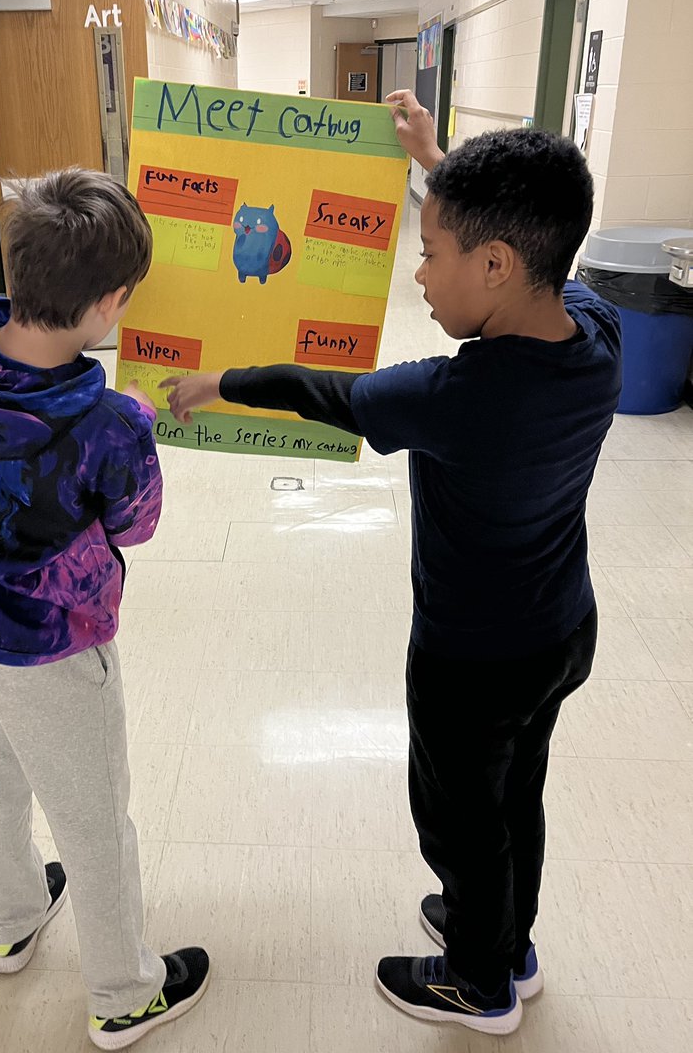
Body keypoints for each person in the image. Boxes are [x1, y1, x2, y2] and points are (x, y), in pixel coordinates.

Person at [162, 95, 622, 1036]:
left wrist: (218, 382)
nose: (418, 274)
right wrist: (437, 162)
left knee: (460, 819)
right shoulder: (597, 331)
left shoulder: (460, 396)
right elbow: (517, 252)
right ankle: (507, 941)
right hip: (559, 631)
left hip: (471, 661)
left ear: (494, 264)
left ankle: (479, 983)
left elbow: (325, 391)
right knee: (515, 795)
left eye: (431, 252)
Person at [0, 169, 209, 1049]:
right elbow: (138, 523)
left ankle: (11, 921)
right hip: (49, 646)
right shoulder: (108, 423)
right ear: (112, 302)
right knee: (91, 815)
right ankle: (124, 991)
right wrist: (147, 430)